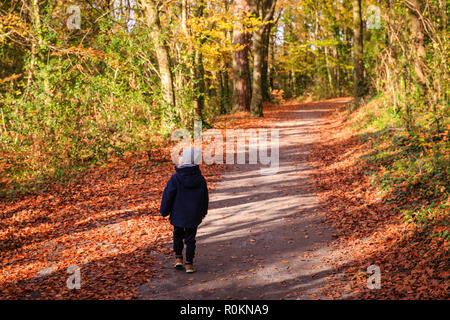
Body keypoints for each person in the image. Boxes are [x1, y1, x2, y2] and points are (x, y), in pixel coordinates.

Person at [160, 147, 209, 273]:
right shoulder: (200, 179)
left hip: (178, 213)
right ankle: (189, 264)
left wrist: (164, 210)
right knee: (190, 239)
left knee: (177, 234)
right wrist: (203, 211)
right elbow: (204, 197)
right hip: (193, 214)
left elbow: (168, 195)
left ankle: (178, 258)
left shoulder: (176, 178)